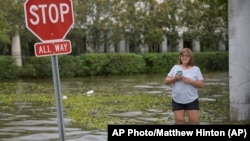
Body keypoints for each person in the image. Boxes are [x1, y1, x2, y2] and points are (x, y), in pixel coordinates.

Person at [164, 48, 204, 124]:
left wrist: (191, 81)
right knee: (179, 122)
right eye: (182, 56)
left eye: (187, 56)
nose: (184, 57)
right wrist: (175, 78)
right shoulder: (175, 67)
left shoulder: (196, 69)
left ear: (190, 58)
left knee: (194, 122)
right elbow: (166, 81)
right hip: (177, 99)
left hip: (192, 99)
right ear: (180, 57)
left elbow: (201, 84)